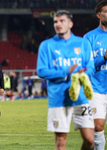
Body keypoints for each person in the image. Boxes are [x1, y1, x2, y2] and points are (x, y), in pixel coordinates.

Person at [36, 10, 95, 150]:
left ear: (70, 23)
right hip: (59, 98)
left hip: (81, 98)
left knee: (90, 140)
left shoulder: (83, 43)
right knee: (61, 140)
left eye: (62, 21)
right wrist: (66, 72)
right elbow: (41, 71)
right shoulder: (46, 45)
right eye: (56, 21)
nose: (58, 24)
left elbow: (91, 67)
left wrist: (84, 74)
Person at [83, 1, 107, 149]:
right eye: (106, 11)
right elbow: (86, 66)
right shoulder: (89, 38)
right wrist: (103, 58)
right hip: (96, 89)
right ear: (99, 15)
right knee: (98, 127)